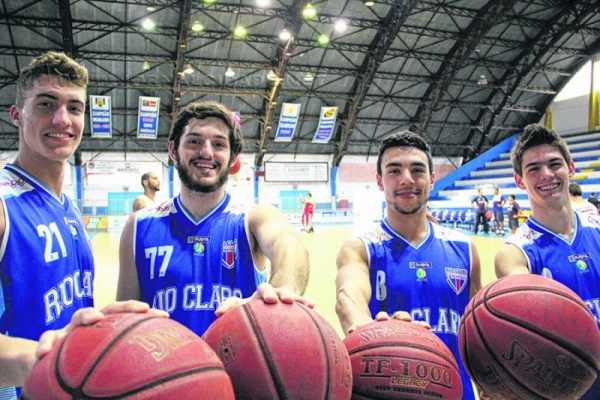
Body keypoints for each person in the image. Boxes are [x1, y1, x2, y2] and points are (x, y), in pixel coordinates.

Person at [0, 51, 162, 399]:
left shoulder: (69, 207)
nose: (62, 119)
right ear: (17, 115)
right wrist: (52, 360)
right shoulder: (3, 203)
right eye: (46, 105)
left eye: (74, 108)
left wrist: (98, 334)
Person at [117, 101, 311, 336]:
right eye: (194, 141)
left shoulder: (252, 218)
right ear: (172, 151)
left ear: (233, 157)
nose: (206, 152)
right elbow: (126, 321)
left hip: (236, 370)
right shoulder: (139, 226)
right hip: (166, 369)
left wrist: (282, 290)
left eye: (219, 144)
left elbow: (290, 245)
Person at [335, 131, 483, 400]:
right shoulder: (362, 248)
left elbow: (479, 333)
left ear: (432, 178)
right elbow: (348, 296)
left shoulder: (465, 248)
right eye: (394, 171)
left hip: (457, 392)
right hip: (388, 391)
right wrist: (367, 330)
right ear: (380, 181)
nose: (406, 179)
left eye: (417, 170)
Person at [495, 124, 600, 400]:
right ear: (520, 181)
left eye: (555, 164)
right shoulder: (516, 252)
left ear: (571, 168)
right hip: (571, 380)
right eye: (534, 169)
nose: (547, 175)